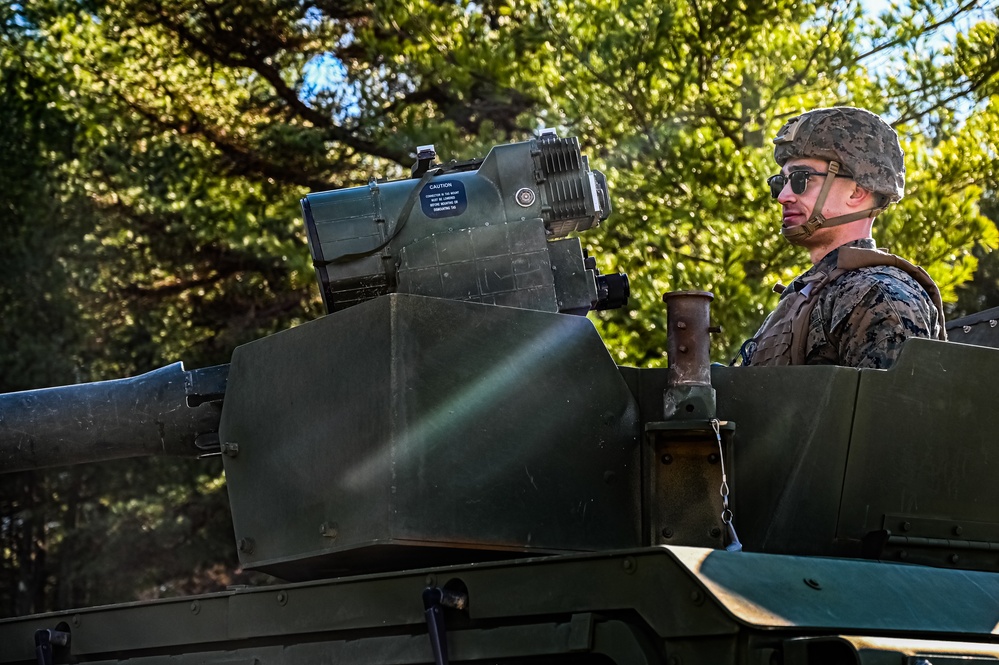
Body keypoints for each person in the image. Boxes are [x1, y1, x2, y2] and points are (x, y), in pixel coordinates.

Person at [737, 106, 946, 368]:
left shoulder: (878, 296)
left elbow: (887, 407)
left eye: (801, 179)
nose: (783, 196)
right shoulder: (811, 293)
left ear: (857, 192)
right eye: (781, 182)